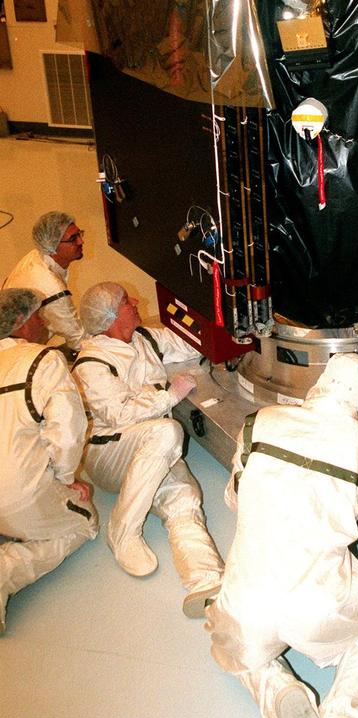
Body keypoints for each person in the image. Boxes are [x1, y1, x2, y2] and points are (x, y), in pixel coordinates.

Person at [207, 353, 358, 718]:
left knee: (235, 649)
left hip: (248, 601)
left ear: (319, 383)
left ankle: (279, 689)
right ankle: (348, 710)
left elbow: (234, 496)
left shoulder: (260, 422)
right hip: (320, 606)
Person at [73, 282, 223, 615]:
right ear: (111, 317)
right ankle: (122, 530)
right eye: (127, 302)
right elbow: (119, 414)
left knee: (184, 498)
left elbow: (190, 343)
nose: (136, 302)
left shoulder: (144, 339)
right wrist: (169, 396)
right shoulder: (91, 363)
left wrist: (219, 331)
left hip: (154, 449)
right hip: (110, 453)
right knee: (167, 431)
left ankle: (206, 582)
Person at [0, 288, 97, 634]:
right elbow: (67, 432)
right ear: (20, 322)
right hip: (16, 498)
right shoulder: (42, 360)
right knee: (84, 523)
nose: (45, 322)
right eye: (39, 316)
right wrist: (67, 478)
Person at [3, 211, 86, 351]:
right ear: (51, 247)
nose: (81, 241)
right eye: (73, 238)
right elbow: (79, 341)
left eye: (79, 234)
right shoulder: (51, 288)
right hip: (17, 353)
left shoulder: (35, 256)